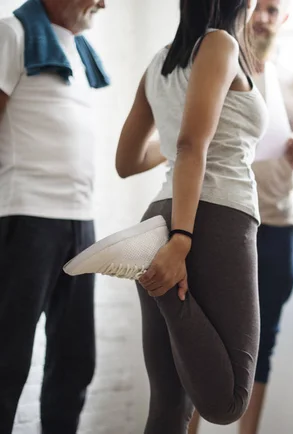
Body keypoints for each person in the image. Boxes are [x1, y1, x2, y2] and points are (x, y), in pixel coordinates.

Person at [111, 0, 267, 431]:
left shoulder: (158, 63)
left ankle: (156, 276)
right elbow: (190, 146)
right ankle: (163, 289)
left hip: (161, 215)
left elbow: (127, 160)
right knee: (228, 402)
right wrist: (180, 240)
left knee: (168, 404)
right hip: (212, 218)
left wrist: (184, 133)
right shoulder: (220, 44)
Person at [187, 1, 293, 433]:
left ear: (284, 19)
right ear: (243, 13)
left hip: (278, 227)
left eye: (273, 9)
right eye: (257, 7)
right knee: (196, 338)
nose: (263, 17)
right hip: (222, 221)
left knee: (261, 344)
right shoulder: (217, 64)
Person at [0, 0, 109, 432]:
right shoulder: (13, 33)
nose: (103, 3)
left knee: (75, 361)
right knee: (7, 362)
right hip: (26, 216)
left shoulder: (80, 50)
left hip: (80, 222)